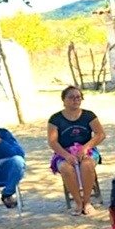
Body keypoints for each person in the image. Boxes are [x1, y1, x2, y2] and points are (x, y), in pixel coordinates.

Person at [47, 86, 106, 216]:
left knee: (87, 164)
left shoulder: (88, 115)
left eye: (78, 97)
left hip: (87, 149)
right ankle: (78, 202)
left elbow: (100, 134)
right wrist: (66, 155)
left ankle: (87, 201)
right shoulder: (55, 119)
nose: (75, 100)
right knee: (66, 168)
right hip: (64, 151)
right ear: (64, 100)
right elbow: (52, 141)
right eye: (71, 97)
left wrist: (86, 148)